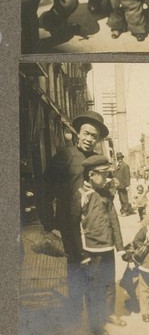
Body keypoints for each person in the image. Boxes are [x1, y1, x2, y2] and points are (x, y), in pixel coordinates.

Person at [39, 110, 109, 324]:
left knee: (95, 272)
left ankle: (96, 320)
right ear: (78, 133)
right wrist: (49, 223)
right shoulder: (64, 156)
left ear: (98, 139)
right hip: (69, 226)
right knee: (76, 269)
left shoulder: (99, 161)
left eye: (94, 136)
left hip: (92, 227)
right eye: (86, 133)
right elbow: (44, 189)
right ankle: (74, 316)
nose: (89, 139)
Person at [73, 155, 126, 335]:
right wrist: (82, 254)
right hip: (91, 250)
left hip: (107, 249)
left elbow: (114, 221)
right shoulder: (81, 195)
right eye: (102, 175)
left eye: (107, 175)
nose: (106, 179)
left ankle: (109, 313)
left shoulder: (106, 195)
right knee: (94, 287)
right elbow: (74, 227)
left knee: (109, 283)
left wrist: (120, 246)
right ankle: (95, 323)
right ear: (91, 174)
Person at [114, 152, 133, 216]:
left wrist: (127, 185)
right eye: (118, 158)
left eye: (120, 158)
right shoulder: (118, 166)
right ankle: (122, 210)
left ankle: (126, 211)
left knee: (124, 199)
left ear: (122, 158)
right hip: (119, 186)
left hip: (124, 185)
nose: (119, 159)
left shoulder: (125, 165)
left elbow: (127, 176)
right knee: (121, 199)